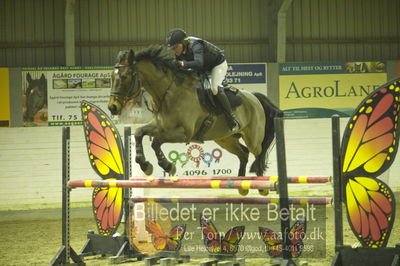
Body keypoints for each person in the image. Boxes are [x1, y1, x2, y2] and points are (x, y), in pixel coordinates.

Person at [165, 28, 240, 131]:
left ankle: (231, 119)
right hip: (202, 68)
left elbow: (199, 63)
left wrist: (183, 64)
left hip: (216, 65)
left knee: (215, 88)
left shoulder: (196, 46)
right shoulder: (179, 52)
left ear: (183, 43)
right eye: (172, 49)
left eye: (175, 47)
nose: (174, 50)